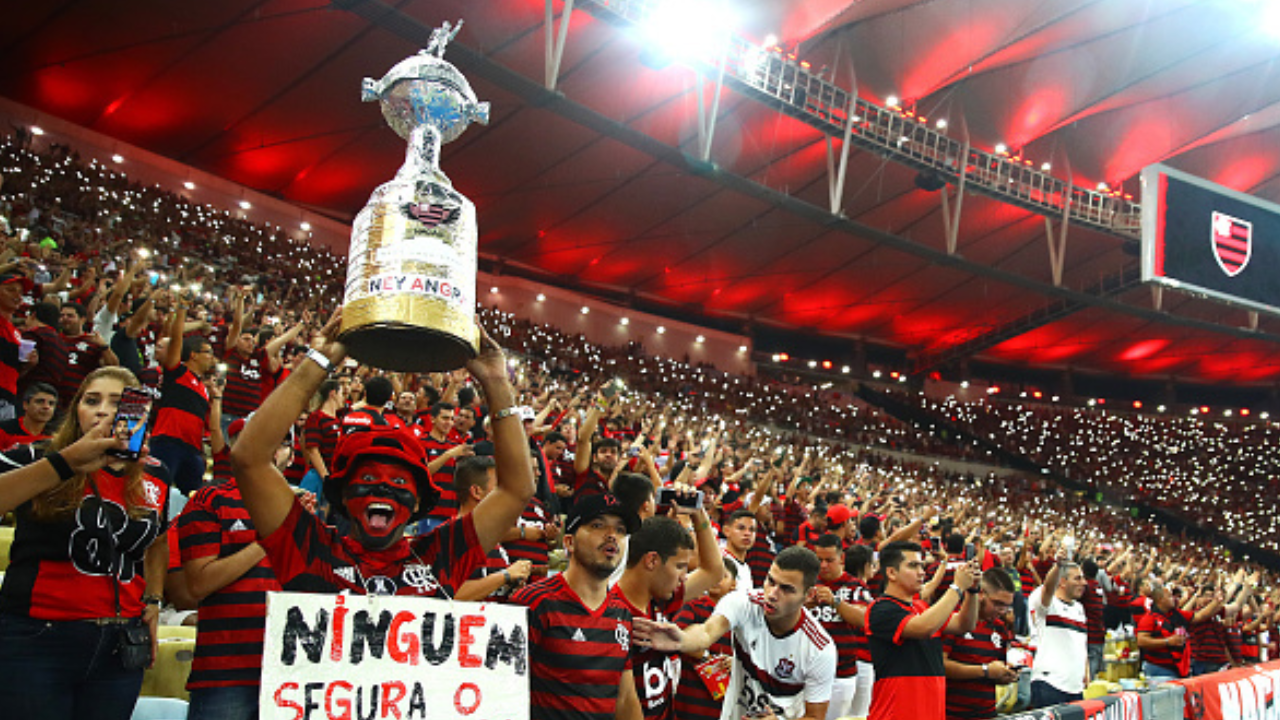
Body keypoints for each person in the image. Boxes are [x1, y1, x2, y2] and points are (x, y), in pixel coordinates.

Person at [230, 310, 533, 597]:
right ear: (345, 495)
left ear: (416, 503)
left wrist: (496, 383)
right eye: (369, 477)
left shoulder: (439, 554)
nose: (384, 487)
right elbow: (249, 459)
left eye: (400, 482)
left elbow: (517, 489)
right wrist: (318, 361)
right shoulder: (310, 546)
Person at [0, 366, 170, 720]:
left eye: (118, 403)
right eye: (91, 400)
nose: (103, 410)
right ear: (76, 409)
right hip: (38, 638)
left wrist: (153, 599)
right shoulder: (37, 456)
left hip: (119, 647)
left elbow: (158, 540)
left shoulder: (157, 472)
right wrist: (65, 463)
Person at [634, 546, 838, 720]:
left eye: (786, 589)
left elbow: (815, 716)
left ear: (808, 594)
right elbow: (707, 632)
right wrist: (682, 640)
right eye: (771, 581)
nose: (772, 594)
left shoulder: (819, 649)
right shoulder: (745, 602)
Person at [511, 493, 643, 720]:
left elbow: (625, 697)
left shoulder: (622, 614)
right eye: (598, 525)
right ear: (569, 542)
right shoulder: (534, 602)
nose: (612, 535)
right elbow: (506, 688)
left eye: (620, 530)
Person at [612, 509, 724, 720]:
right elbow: (623, 701)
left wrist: (699, 515)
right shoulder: (612, 614)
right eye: (680, 566)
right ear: (652, 561)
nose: (684, 577)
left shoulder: (662, 599)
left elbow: (714, 571)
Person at [865, 541, 979, 720]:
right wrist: (957, 588)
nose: (921, 572)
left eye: (921, 565)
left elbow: (965, 624)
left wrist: (972, 591)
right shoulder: (881, 608)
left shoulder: (922, 607)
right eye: (913, 565)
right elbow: (923, 627)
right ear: (891, 572)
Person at [150, 296, 217, 494]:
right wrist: (181, 310)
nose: (212, 357)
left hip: (192, 450)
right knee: (156, 492)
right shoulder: (177, 373)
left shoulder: (205, 389)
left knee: (196, 499)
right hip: (167, 443)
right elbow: (176, 338)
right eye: (208, 352)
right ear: (193, 355)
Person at [942, 569, 1020, 720]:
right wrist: (984, 670)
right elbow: (940, 665)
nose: (1002, 611)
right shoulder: (953, 621)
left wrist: (1005, 676)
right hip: (951, 713)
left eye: (1007, 606)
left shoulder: (1000, 628)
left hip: (987, 713)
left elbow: (995, 673)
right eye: (998, 604)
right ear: (981, 594)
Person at [809, 534, 871, 720]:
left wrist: (835, 602)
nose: (823, 565)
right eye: (819, 560)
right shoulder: (808, 584)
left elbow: (863, 618)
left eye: (829, 560)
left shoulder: (855, 586)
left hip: (841, 674)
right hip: (808, 673)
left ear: (842, 558)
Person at [1026, 549, 1085, 707]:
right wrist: (1057, 566)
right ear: (1062, 582)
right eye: (1078, 578)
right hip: (1050, 684)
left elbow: (1079, 643)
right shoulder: (1048, 604)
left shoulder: (1079, 608)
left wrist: (1085, 673)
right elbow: (1047, 588)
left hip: (1075, 687)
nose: (1083, 583)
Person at [1137, 582, 1223, 684]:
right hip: (1159, 669)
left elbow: (1199, 616)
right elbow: (1141, 641)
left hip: (1179, 668)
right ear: (1160, 599)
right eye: (1169, 596)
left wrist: (1216, 601)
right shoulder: (1149, 618)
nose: (1173, 598)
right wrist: (1168, 641)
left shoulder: (1176, 614)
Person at [0, 381, 57, 449]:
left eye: (51, 403)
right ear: (25, 405)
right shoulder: (4, 430)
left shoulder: (56, 436)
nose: (46, 407)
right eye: (40, 402)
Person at [721, 508, 757, 591]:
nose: (747, 533)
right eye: (741, 528)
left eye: (752, 530)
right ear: (726, 531)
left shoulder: (746, 568)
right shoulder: (719, 561)